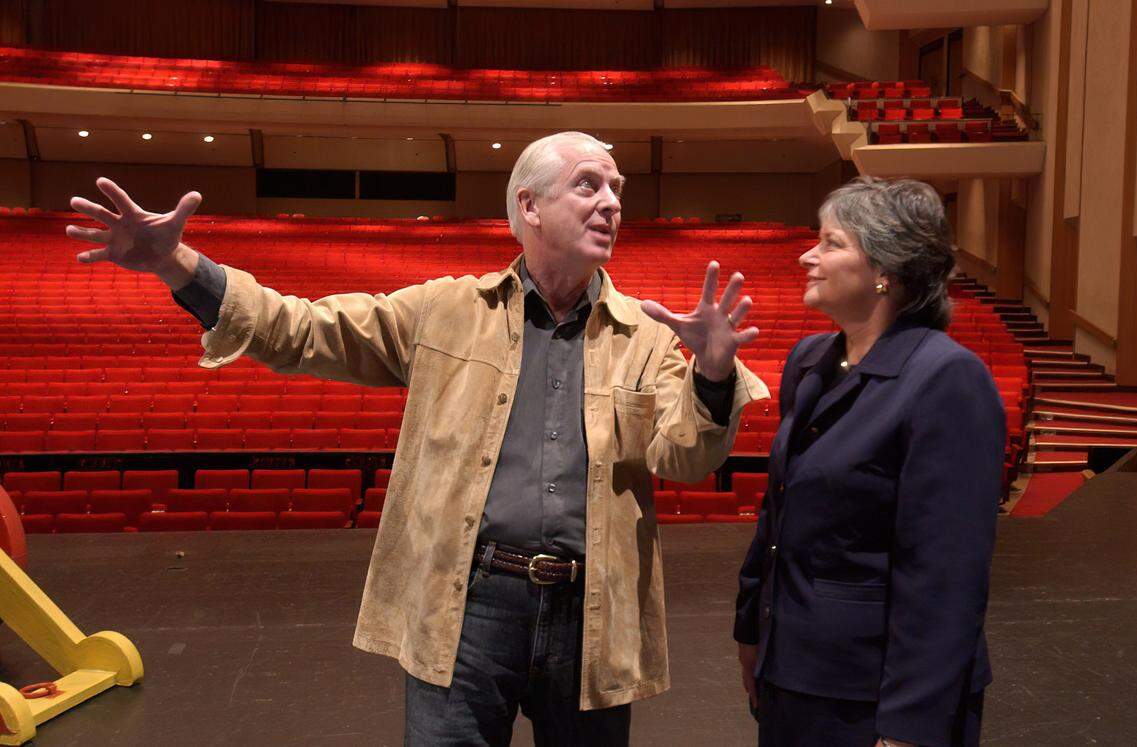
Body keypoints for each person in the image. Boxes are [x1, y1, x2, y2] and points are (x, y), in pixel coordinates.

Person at [65, 131, 769, 745]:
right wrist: (178, 264)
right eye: (589, 185)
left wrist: (711, 374)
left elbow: (684, 456)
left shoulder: (646, 337)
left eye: (617, 190)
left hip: (591, 616)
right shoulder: (444, 310)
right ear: (529, 206)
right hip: (465, 607)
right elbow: (299, 330)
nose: (612, 203)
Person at [734, 176, 1005, 747]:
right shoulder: (811, 361)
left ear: (887, 269)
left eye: (831, 243)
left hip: (875, 697)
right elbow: (777, 512)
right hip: (791, 673)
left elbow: (946, 573)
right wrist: (751, 630)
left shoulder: (948, 379)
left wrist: (910, 726)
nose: (808, 256)